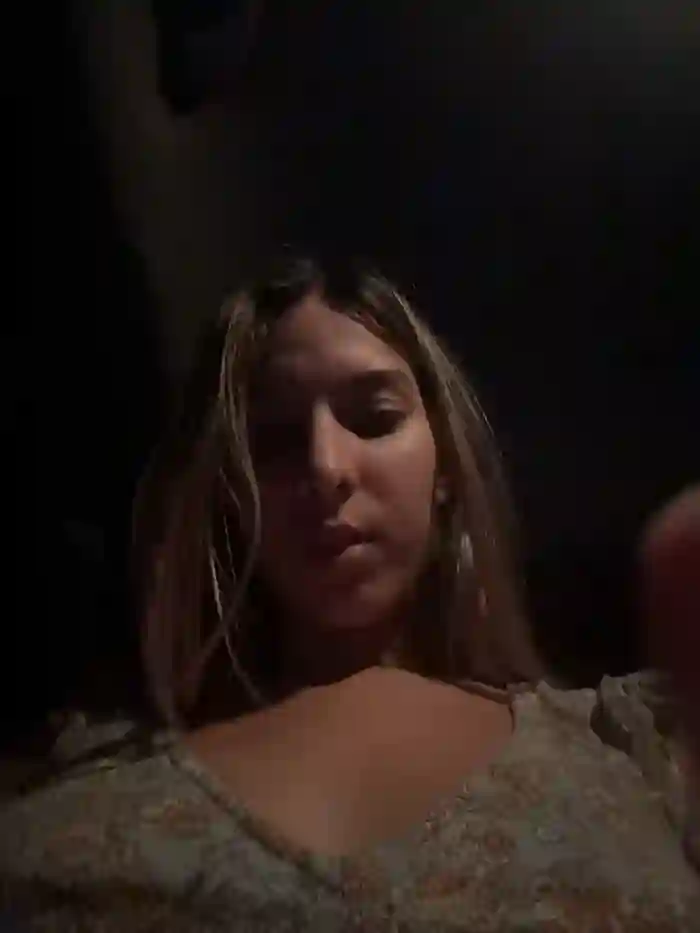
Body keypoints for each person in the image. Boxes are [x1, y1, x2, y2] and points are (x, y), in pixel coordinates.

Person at [0, 255, 697, 930]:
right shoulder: (77, 792)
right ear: (228, 496)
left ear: (445, 467)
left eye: (374, 417)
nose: (326, 466)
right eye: (274, 440)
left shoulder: (633, 747)